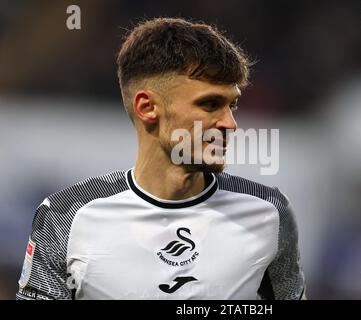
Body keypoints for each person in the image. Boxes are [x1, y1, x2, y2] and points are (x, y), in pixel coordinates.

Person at [16, 17, 306, 300]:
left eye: (232, 105)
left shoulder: (269, 213)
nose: (230, 124)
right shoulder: (65, 217)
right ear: (147, 107)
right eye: (210, 104)